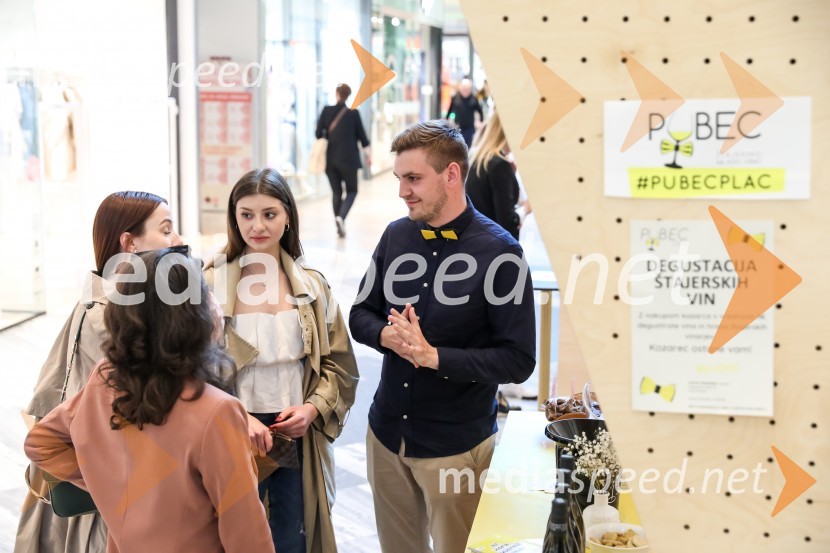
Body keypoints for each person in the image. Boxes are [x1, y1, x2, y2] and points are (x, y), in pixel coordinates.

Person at [349, 120, 537, 553]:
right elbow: (360, 313)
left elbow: (518, 360)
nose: (403, 191)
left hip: (456, 448)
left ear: (451, 174)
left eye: (413, 179)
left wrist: (434, 356)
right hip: (386, 435)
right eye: (399, 179)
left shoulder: (501, 253)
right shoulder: (396, 235)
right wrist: (386, 336)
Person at [24, 248, 274, 553]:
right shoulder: (217, 411)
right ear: (190, 316)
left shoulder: (106, 378)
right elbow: (249, 540)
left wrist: (107, 481)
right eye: (207, 293)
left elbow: (41, 443)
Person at [16, 191, 183, 553]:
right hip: (106, 489)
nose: (178, 240)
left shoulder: (106, 300)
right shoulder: (114, 316)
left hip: (95, 476)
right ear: (130, 244)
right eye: (167, 230)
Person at [205, 168, 359, 553]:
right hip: (231, 435)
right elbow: (188, 371)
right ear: (234, 218)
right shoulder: (209, 284)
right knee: (236, 537)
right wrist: (236, 418)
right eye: (246, 215)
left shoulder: (313, 286)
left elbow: (340, 365)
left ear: (288, 215)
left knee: (293, 536)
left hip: (295, 434)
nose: (257, 226)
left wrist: (312, 408)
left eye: (269, 214)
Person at [315, 83, 371, 238]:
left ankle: (338, 222)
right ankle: (341, 217)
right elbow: (363, 138)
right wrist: (368, 156)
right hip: (349, 160)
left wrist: (329, 135)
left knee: (336, 192)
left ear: (337, 94)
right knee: (352, 190)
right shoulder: (354, 113)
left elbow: (318, 134)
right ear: (348, 95)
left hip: (330, 159)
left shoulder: (326, 110)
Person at [466, 111, 522, 240]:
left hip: (476, 238)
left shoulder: (476, 160)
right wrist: (524, 211)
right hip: (496, 243)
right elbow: (506, 221)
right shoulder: (499, 166)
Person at [445, 77, 484, 147]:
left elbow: (480, 111)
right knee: (458, 146)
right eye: (464, 88)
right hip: (458, 127)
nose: (465, 90)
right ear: (460, 88)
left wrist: (481, 121)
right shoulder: (455, 98)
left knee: (468, 146)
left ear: (470, 89)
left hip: (470, 128)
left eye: (467, 89)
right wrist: (446, 121)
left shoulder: (474, 98)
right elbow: (450, 110)